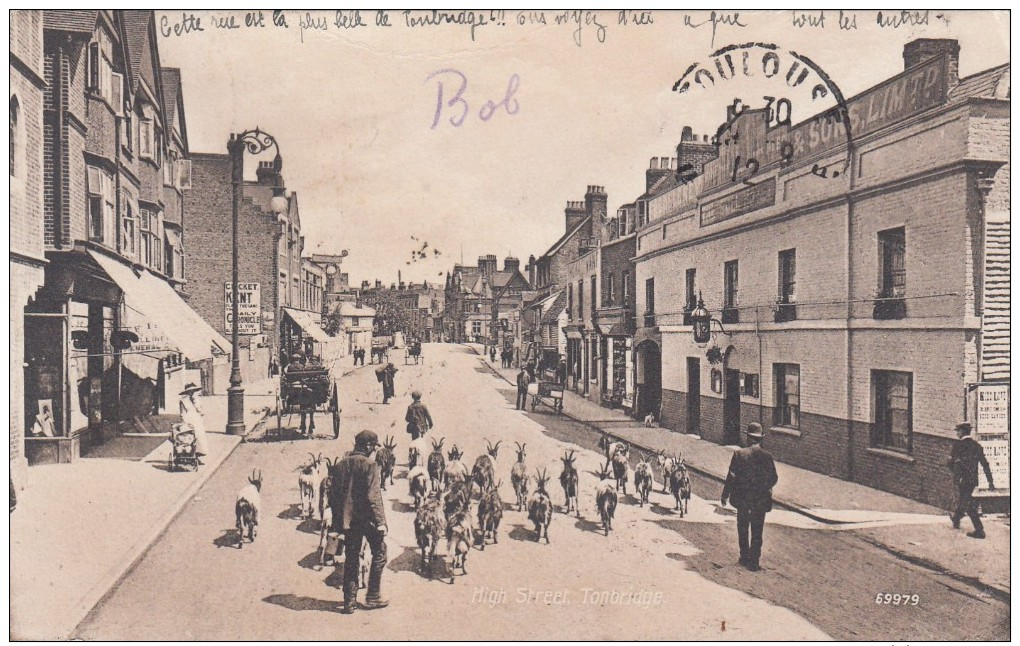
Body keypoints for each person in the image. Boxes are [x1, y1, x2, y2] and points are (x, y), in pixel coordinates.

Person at [330, 430, 388, 614]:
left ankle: (349, 601)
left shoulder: (340, 465)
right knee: (380, 552)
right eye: (373, 447)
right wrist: (381, 522)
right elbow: (373, 495)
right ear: (368, 446)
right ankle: (373, 596)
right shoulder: (370, 465)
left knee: (352, 557)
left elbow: (335, 498)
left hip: (349, 521)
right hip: (368, 519)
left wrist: (337, 524)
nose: (374, 451)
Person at [721, 423, 778, 571]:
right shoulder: (767, 457)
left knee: (743, 528)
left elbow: (731, 477)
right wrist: (765, 488)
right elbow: (774, 478)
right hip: (760, 500)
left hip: (743, 500)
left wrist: (725, 494)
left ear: (748, 438)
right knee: (757, 530)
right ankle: (754, 562)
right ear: (760, 439)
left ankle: (744, 557)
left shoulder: (739, 454)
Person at [948, 422, 995, 539]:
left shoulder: (957, 446)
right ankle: (956, 518)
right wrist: (990, 481)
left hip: (962, 479)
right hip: (973, 480)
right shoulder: (977, 446)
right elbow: (985, 464)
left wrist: (955, 473)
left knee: (968, 504)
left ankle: (980, 531)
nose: (957, 433)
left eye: (958, 431)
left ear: (962, 432)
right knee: (964, 498)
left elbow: (950, 463)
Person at [178, 383, 209, 462]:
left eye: (193, 391)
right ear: (186, 392)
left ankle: (197, 456)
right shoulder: (183, 401)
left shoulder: (196, 399)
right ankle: (190, 455)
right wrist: (185, 422)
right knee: (189, 438)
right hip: (188, 421)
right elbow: (182, 413)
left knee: (199, 438)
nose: (191, 393)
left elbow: (200, 411)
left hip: (197, 420)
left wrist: (196, 402)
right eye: (189, 391)